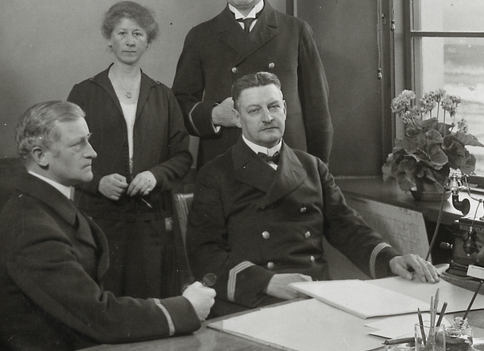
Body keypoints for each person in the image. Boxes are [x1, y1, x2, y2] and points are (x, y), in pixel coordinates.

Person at [0, 101, 216, 351]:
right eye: (78, 144)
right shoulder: (32, 227)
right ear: (41, 156)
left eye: (89, 140)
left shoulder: (38, 206)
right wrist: (185, 308)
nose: (92, 152)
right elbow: (100, 316)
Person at [187, 72, 438, 317]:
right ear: (237, 118)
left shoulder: (311, 166)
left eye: (273, 107)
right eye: (254, 110)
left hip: (315, 294)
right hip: (252, 302)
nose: (267, 118)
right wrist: (266, 282)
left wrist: (391, 259)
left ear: (285, 109)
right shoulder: (215, 174)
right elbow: (204, 254)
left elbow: (347, 227)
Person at [67, 1, 191, 297]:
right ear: (109, 38)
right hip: (99, 217)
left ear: (148, 41)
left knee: (150, 298)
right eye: (122, 33)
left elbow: (182, 156)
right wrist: (98, 183)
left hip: (150, 220)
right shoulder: (84, 92)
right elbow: (66, 153)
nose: (130, 41)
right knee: (102, 297)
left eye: (138, 33)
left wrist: (155, 176)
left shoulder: (163, 95)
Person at [173, 0, 333, 168]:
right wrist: (214, 114)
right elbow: (177, 107)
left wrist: (317, 175)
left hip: (287, 167)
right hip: (224, 166)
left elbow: (318, 114)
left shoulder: (296, 31)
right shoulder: (200, 36)